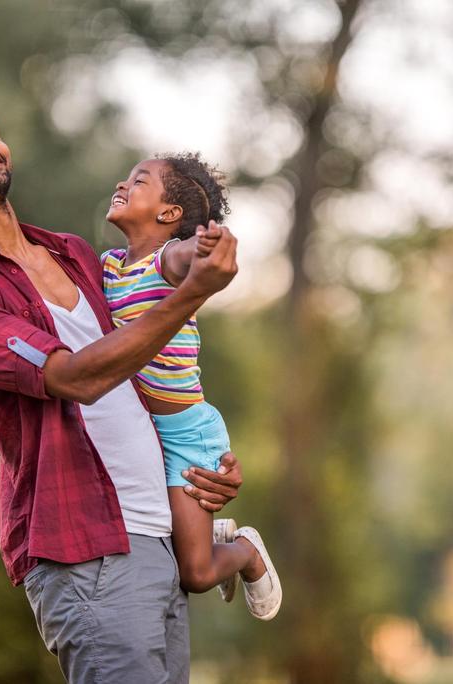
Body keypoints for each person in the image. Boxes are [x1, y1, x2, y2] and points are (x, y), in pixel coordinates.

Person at [0, 88, 241, 683]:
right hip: (89, 553)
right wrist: (194, 292)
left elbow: (146, 372)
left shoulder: (76, 253)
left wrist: (200, 462)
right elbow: (77, 377)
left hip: (158, 535)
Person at [101, 153, 281, 619]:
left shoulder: (167, 261)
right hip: (144, 436)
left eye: (139, 180)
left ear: (169, 214)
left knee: (195, 574)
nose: (123, 183)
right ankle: (212, 533)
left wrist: (207, 243)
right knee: (174, 549)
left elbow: (188, 256)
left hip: (185, 434)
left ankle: (243, 549)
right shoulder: (108, 267)